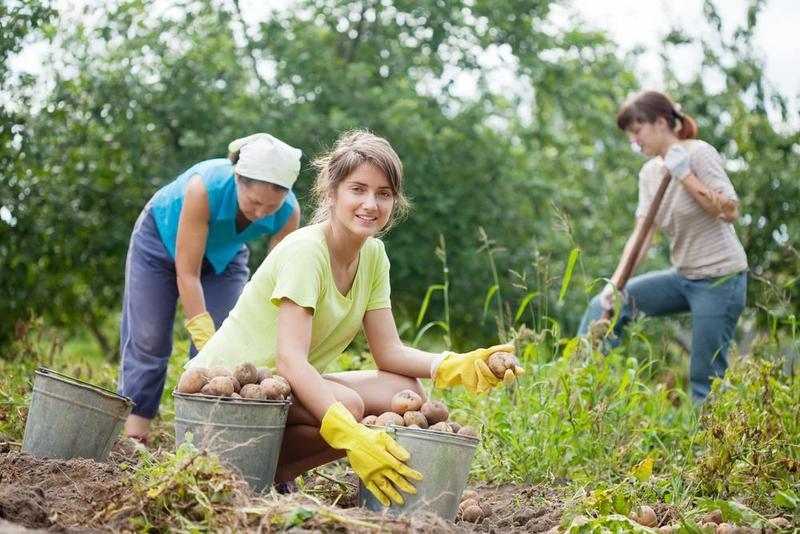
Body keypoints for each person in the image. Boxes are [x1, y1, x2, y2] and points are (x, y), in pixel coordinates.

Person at [188, 130, 524, 505]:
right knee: (348, 406)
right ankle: (251, 469)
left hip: (277, 395)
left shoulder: (374, 255)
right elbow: (290, 361)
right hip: (218, 401)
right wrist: (348, 433)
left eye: (383, 194)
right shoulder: (305, 251)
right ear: (331, 194)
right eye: (358, 189)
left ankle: (277, 473)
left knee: (405, 393)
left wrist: (456, 365)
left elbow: (389, 352)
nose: (371, 203)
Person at [118, 133, 303, 441]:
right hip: (159, 245)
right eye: (254, 202)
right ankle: (135, 435)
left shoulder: (288, 212)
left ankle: (206, 438)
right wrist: (204, 335)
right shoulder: (203, 188)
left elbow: (276, 280)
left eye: (270, 207)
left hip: (224, 257)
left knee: (226, 341)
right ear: (237, 178)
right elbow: (187, 273)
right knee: (149, 339)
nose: (260, 213)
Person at [578, 91, 748, 403]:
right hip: (683, 276)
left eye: (637, 130)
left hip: (720, 279)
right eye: (629, 133)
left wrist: (684, 175)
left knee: (704, 377)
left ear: (660, 123)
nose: (633, 140)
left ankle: (708, 449)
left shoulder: (698, 154)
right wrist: (616, 284)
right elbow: (642, 236)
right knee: (603, 308)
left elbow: (729, 211)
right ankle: (584, 394)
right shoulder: (649, 173)